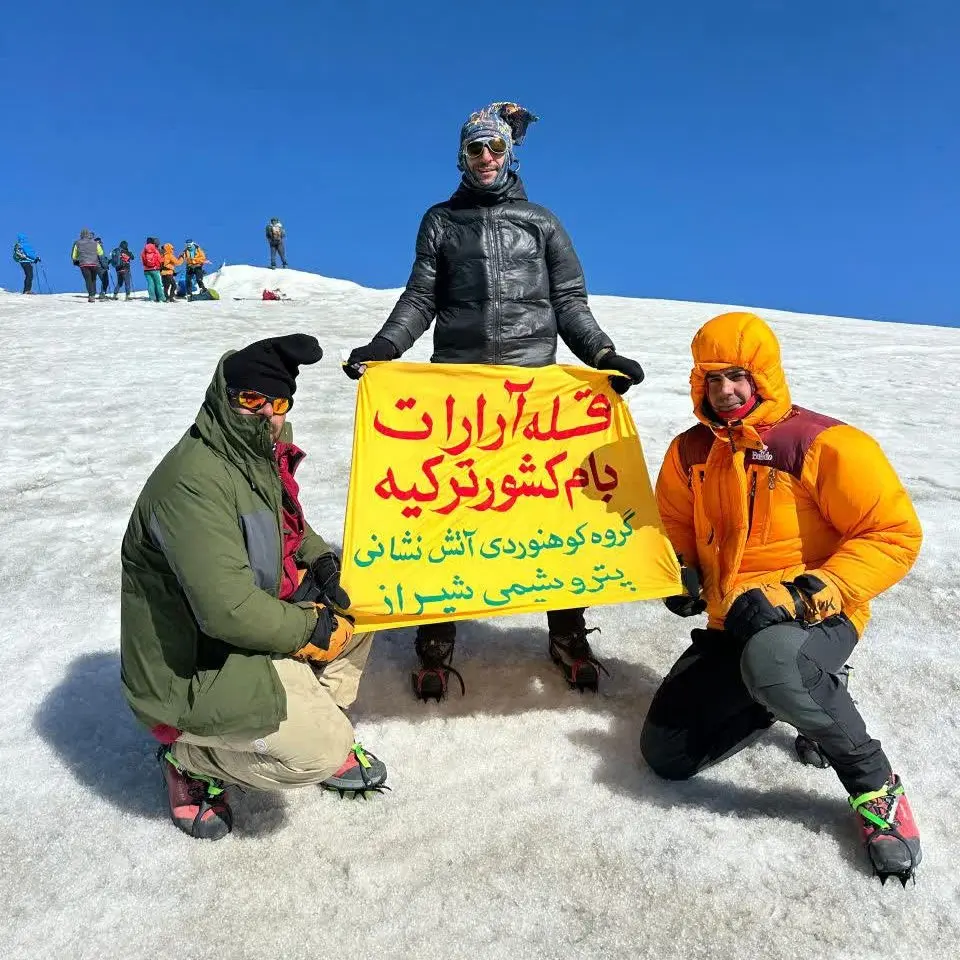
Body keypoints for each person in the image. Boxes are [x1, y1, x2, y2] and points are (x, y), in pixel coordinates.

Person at [343, 102, 645, 701]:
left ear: (510, 154)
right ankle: (434, 642)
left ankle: (567, 634)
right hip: (460, 397)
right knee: (445, 517)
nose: (486, 158)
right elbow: (421, 297)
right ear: (462, 155)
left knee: (556, 517)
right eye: (476, 148)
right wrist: (385, 345)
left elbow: (570, 304)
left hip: (535, 396)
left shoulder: (542, 222)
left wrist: (602, 356)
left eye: (495, 148)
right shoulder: (440, 221)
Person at [643, 310, 923, 884]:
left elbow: (893, 534)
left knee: (774, 660)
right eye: (711, 379)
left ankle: (875, 789)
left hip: (817, 615)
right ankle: (790, 693)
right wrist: (684, 570)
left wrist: (805, 594)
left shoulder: (820, 442)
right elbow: (671, 521)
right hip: (732, 625)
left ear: (764, 376)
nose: (724, 392)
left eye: (737, 377)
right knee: (667, 755)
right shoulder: (688, 452)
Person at [120, 333, 387, 841]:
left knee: (364, 595)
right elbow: (228, 611)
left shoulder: (257, 454)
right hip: (195, 665)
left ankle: (308, 716)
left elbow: (290, 526)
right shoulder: (194, 482)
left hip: (248, 630)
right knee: (319, 753)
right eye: (251, 399)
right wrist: (311, 628)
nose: (266, 412)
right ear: (225, 397)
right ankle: (190, 757)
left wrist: (323, 563)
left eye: (278, 402)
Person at [71, 228, 104, 303]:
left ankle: (91, 295)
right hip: (94, 263)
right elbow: (101, 253)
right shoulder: (95, 243)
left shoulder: (77, 243)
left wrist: (76, 261)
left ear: (81, 234)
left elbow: (74, 255)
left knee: (88, 280)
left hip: (83, 264)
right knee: (93, 279)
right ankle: (93, 293)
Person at [141, 238, 165, 302]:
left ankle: (152, 298)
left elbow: (143, 261)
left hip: (146, 270)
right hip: (155, 269)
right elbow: (159, 259)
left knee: (150, 284)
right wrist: (159, 266)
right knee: (158, 284)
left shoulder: (144, 251)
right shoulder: (155, 250)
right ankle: (161, 299)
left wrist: (146, 266)